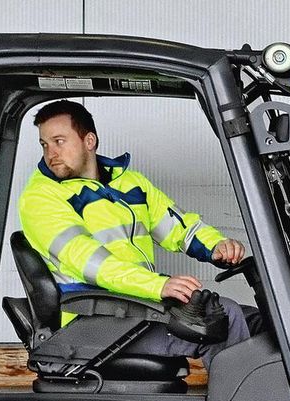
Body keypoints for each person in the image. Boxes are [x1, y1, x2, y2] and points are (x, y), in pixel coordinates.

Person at [18, 100, 251, 368]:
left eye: (59, 141)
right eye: (45, 144)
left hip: (135, 308)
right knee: (225, 317)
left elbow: (178, 226)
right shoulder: (41, 198)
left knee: (255, 319)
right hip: (94, 321)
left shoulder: (130, 184)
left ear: (89, 141)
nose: (51, 153)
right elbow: (91, 263)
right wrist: (158, 286)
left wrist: (217, 246)